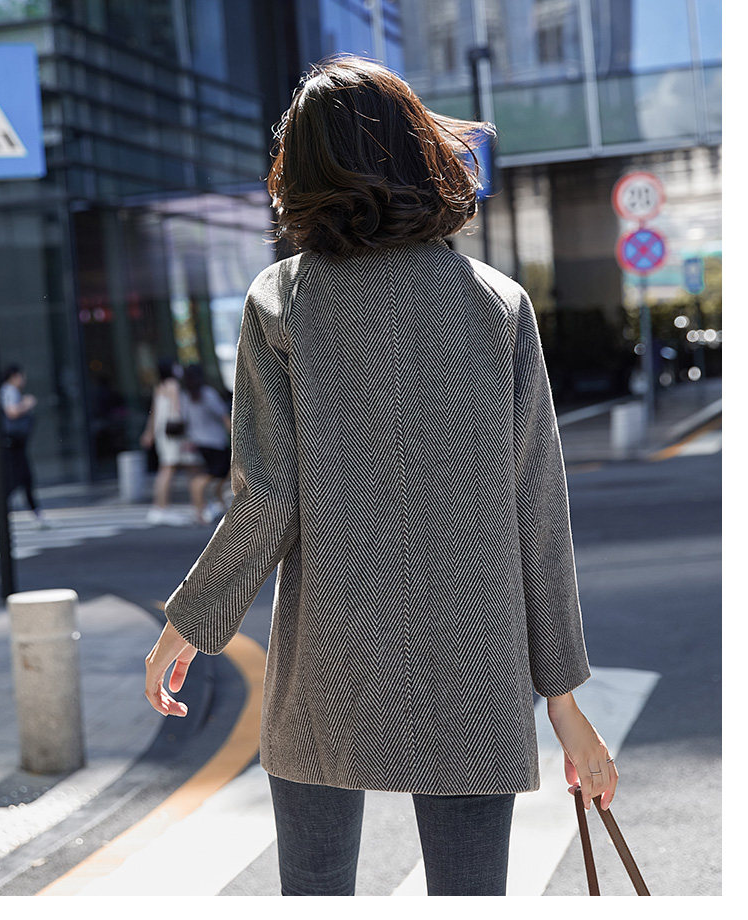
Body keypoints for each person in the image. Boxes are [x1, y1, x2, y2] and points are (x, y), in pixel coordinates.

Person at [145, 55, 618, 896]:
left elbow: (268, 500)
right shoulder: (497, 303)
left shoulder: (281, 300)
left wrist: (190, 620)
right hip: (475, 661)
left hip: (330, 660)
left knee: (316, 892)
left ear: (303, 170)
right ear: (416, 151)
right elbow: (537, 513)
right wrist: (563, 699)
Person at [140, 360, 196, 526]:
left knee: (167, 468)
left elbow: (153, 413)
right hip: (173, 433)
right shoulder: (173, 384)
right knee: (169, 468)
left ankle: (160, 507)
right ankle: (162, 507)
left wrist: (149, 433)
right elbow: (177, 409)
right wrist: (186, 433)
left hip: (163, 433)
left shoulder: (160, 386)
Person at [180, 364, 232, 525]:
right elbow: (224, 416)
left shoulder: (186, 397)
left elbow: (185, 421)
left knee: (220, 474)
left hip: (200, 442)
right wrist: (234, 434)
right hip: (215, 442)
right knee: (214, 474)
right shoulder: (208, 394)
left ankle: (216, 505)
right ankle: (200, 510)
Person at [0, 364, 47, 527]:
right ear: (15, 376)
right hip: (12, 442)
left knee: (23, 479)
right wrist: (27, 403)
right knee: (18, 479)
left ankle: (36, 514)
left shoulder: (9, 391)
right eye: (21, 376)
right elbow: (12, 412)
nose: (24, 379)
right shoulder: (9, 390)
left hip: (16, 443)